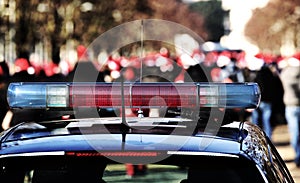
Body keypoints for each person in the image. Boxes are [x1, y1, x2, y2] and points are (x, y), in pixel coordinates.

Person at [280, 56, 300, 166]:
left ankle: (298, 155)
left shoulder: (285, 72)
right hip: (296, 103)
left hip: (290, 105)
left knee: (294, 132)